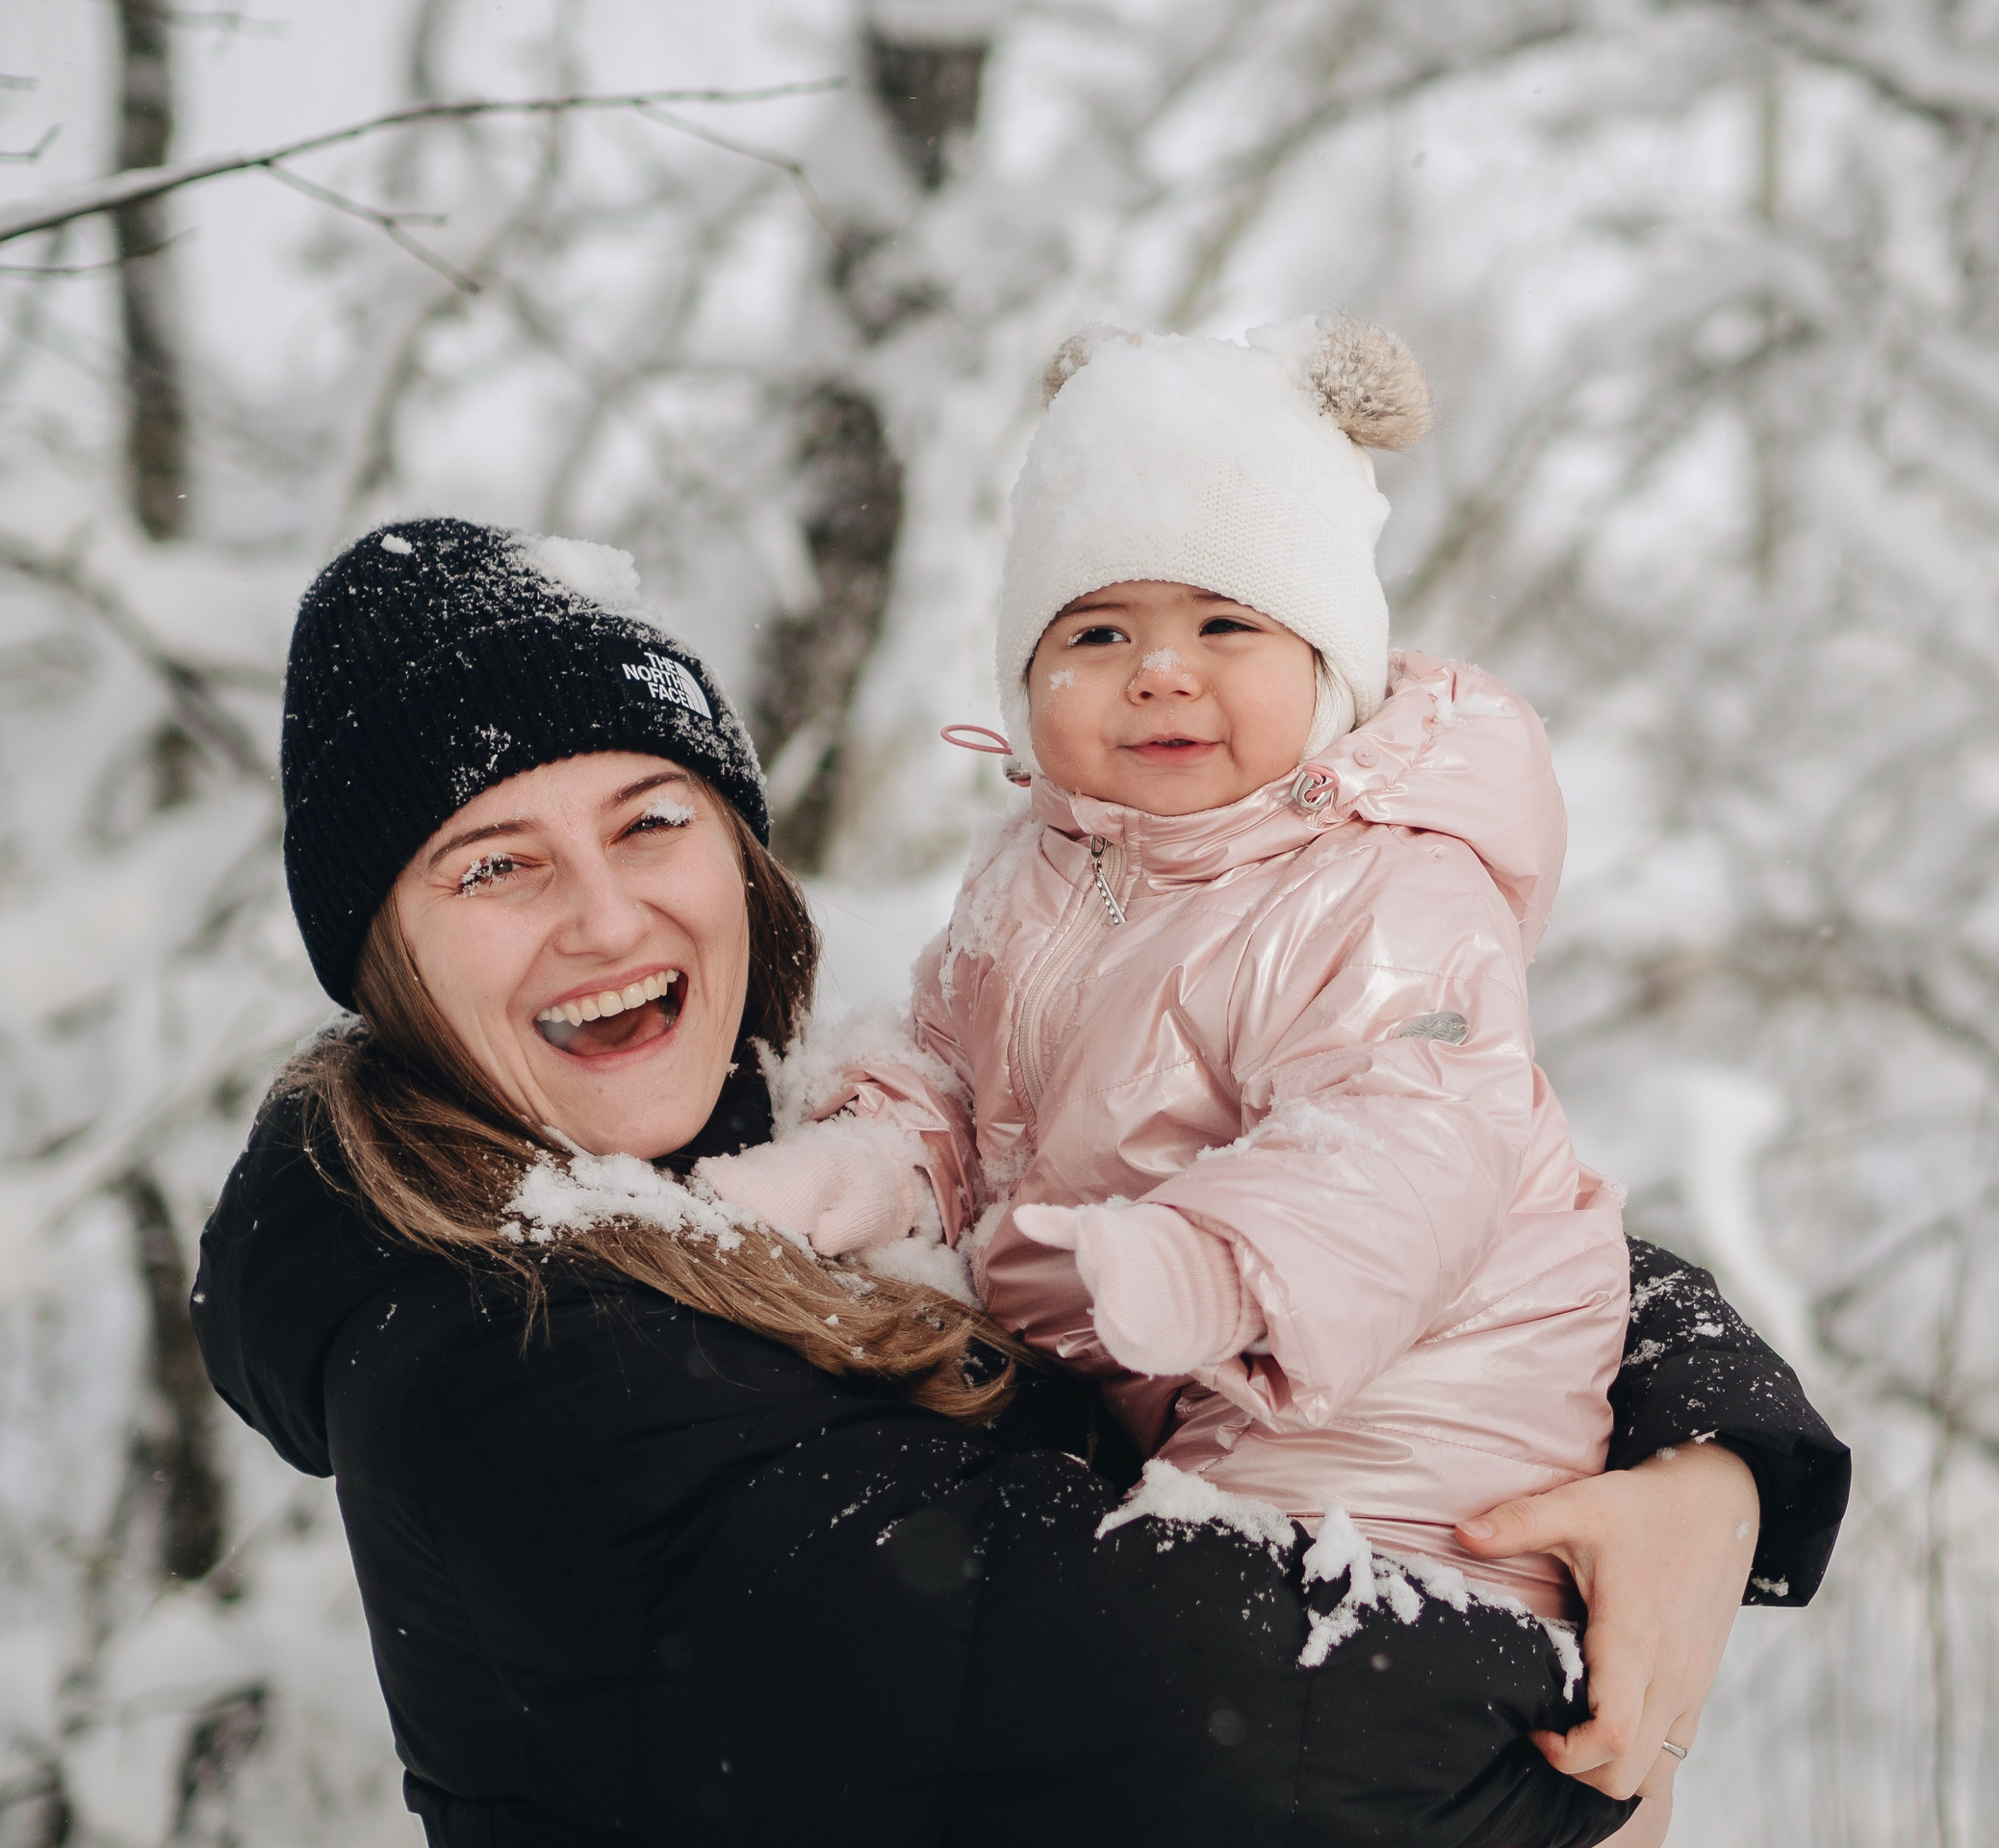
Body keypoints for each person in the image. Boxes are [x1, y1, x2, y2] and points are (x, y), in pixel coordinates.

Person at [193, 516, 1850, 1847]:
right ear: (386, 959)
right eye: (495, 866)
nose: (608, 919)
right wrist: (1577, 1716)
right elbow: (1237, 1734)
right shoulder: (500, 1355)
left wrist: (1703, 1470)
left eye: (649, 823)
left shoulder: (749, 1141)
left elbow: (1452, 1184)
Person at [694, 320, 1623, 1624]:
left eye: (1227, 623)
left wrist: (1211, 1264)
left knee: (1230, 1701)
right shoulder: (1030, 873)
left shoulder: (1391, 882)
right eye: (1100, 634)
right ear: (1028, 684)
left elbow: (1410, 1134)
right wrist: (870, 1163)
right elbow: (952, 1072)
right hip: (1194, 1414)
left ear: (1329, 666)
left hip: (1412, 1437)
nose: (1162, 675)